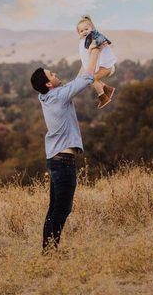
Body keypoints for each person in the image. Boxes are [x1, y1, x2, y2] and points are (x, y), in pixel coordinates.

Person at [30, 41, 103, 253]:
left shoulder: (47, 96)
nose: (55, 73)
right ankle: (50, 251)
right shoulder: (59, 96)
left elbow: (79, 78)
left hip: (55, 160)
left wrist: (85, 53)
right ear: (49, 84)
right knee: (62, 208)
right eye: (51, 74)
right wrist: (95, 52)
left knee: (54, 208)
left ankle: (48, 250)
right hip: (63, 162)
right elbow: (87, 78)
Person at [76, 15, 117, 108]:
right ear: (78, 33)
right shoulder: (82, 42)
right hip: (101, 66)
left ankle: (103, 97)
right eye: (81, 31)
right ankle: (107, 89)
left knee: (93, 78)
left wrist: (92, 47)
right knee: (90, 79)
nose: (84, 32)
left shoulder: (94, 37)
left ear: (92, 28)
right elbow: (85, 58)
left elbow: (97, 44)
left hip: (106, 65)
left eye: (86, 29)